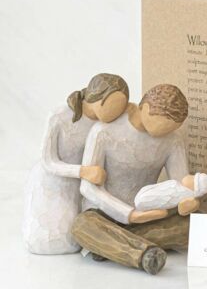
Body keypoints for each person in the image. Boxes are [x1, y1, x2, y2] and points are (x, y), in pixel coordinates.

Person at [72, 83, 197, 275]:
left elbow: (181, 184)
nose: (166, 133)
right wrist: (129, 214)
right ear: (145, 108)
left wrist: (187, 201)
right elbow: (87, 188)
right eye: (162, 125)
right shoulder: (104, 130)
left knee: (193, 224)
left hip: (148, 214)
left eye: (172, 128)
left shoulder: (173, 140)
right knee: (82, 226)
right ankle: (143, 254)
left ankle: (109, 245)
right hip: (104, 213)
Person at [23, 73, 130, 254]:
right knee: (51, 240)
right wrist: (83, 171)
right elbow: (48, 160)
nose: (116, 113)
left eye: (121, 108)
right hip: (52, 183)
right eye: (113, 106)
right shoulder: (59, 116)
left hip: (82, 186)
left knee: (80, 235)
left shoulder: (104, 125)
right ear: (97, 97)